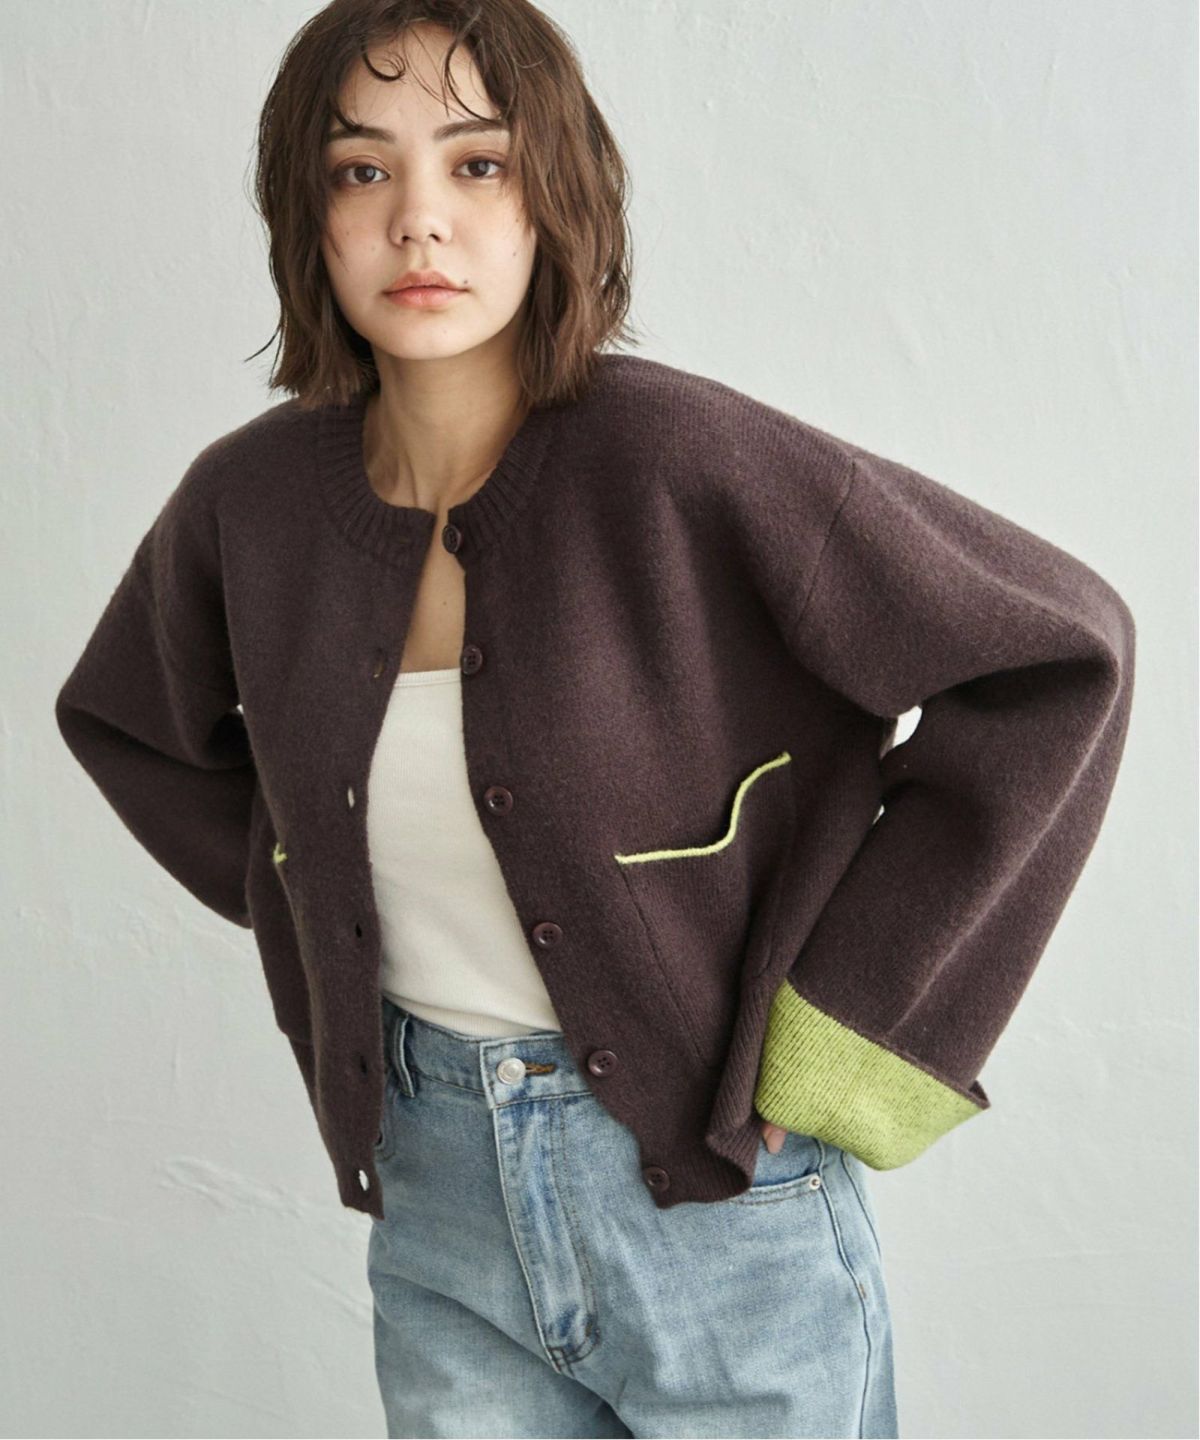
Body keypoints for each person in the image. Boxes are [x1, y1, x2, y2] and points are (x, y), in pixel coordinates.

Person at [54, 2, 1136, 1437]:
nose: (419, 218)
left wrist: (849, 1023)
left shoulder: (677, 457)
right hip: (435, 1200)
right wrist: (309, 891)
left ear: (555, 194)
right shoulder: (248, 507)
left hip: (721, 1204)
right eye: (362, 171)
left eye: (479, 164)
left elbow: (1059, 653)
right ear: (306, 216)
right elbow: (131, 724)